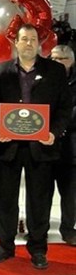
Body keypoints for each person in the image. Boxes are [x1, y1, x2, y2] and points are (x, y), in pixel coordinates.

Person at [0, 24, 71, 270]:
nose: (28, 43)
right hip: (9, 145)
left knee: (39, 199)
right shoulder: (0, 72)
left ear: (39, 43)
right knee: (6, 199)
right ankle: (5, 246)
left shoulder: (55, 71)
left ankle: (38, 248)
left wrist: (54, 133)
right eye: (24, 39)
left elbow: (65, 108)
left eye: (32, 39)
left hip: (41, 146)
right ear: (16, 42)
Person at [49, 45, 76, 246]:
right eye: (55, 58)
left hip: (70, 146)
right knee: (41, 192)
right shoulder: (45, 77)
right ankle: (38, 229)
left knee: (70, 193)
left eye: (64, 58)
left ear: (72, 61)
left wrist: (59, 125)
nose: (59, 62)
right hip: (45, 145)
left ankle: (68, 229)